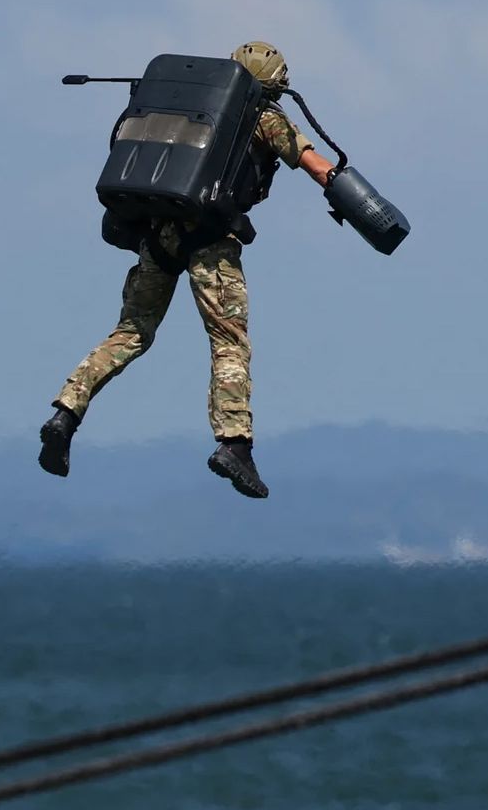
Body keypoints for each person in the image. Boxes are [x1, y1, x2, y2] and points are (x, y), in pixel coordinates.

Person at [39, 42, 337, 498]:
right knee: (229, 343)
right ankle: (234, 444)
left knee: (131, 332)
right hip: (211, 243)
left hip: (159, 231)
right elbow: (317, 168)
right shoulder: (264, 116)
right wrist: (352, 194)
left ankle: (66, 412)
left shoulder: (185, 104)